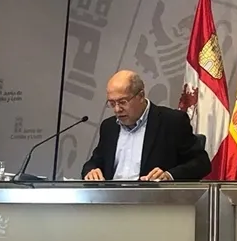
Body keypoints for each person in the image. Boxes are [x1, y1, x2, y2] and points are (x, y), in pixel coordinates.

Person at [82, 70, 211, 181]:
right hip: (110, 203)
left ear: (141, 96)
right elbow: (94, 162)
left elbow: (201, 163)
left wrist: (169, 176)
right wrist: (91, 171)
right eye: (112, 103)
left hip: (154, 203)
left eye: (122, 102)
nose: (117, 109)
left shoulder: (172, 122)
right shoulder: (109, 127)